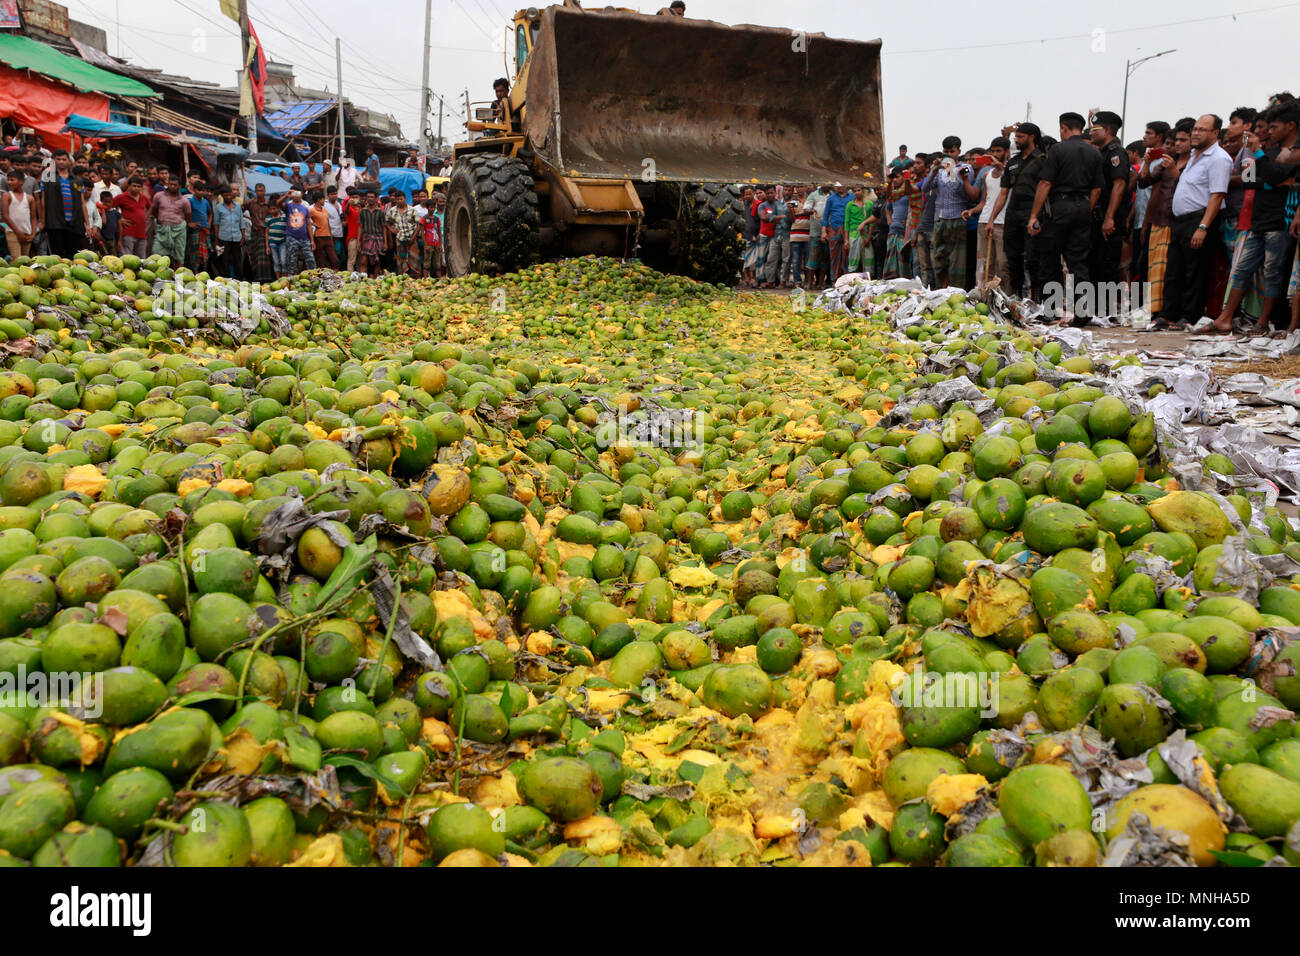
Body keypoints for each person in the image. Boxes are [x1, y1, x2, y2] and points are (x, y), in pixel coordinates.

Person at [1214, 100, 1300, 335]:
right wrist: (1273, 181)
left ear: (1290, 126)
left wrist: (1266, 167)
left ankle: (1263, 322)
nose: (1269, 131)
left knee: (1273, 274)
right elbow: (1249, 180)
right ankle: (1225, 318)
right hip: (1257, 221)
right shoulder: (1269, 152)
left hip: (1280, 221)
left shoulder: (1290, 154)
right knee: (1242, 270)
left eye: (1273, 127)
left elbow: (1274, 175)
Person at [1029, 112, 1104, 323]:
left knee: (1050, 259)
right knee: (1079, 263)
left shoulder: (1058, 150)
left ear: (1063, 128)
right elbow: (1097, 189)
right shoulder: (1094, 152)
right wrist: (1085, 208)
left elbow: (1045, 183)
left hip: (1059, 208)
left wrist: (1033, 215)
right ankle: (1083, 312)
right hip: (1083, 207)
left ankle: (1051, 310)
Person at [1160, 114, 1231, 329]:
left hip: (1200, 219)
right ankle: (1168, 314)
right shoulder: (1194, 155)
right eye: (1196, 129)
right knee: (1174, 270)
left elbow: (1217, 195)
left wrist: (1203, 226)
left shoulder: (1219, 158)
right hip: (1180, 220)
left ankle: (1189, 316)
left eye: (1202, 129)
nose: (1196, 133)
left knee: (1195, 271)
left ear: (1215, 133)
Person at [929, 137, 979, 288]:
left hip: (958, 218)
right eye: (946, 151)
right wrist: (933, 170)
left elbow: (961, 188)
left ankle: (955, 292)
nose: (949, 154)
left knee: (957, 261)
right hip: (940, 218)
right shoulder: (939, 171)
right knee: (938, 260)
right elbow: (926, 187)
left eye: (952, 151)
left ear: (958, 151)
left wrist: (952, 170)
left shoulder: (965, 168)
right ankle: (941, 289)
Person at [1088, 111, 1132, 285]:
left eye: (1095, 129)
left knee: (1106, 271)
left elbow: (1119, 184)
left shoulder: (1116, 153)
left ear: (1107, 130)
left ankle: (1106, 304)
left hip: (1108, 223)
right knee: (1094, 268)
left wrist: (1109, 217)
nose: (1091, 132)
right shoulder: (1101, 153)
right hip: (1095, 221)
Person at [971, 137, 1011, 288]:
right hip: (984, 221)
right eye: (992, 151)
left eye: (998, 151)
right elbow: (984, 201)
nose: (995, 154)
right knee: (986, 264)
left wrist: (1001, 166)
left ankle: (1007, 296)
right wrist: (972, 210)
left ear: (1007, 152)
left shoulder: (1010, 172)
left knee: (1003, 264)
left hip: (1002, 222)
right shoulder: (986, 175)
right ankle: (987, 294)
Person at [36, 150, 87, 258]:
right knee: (57, 256)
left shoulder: (77, 180)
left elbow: (82, 203)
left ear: (69, 161)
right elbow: (43, 200)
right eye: (58, 159)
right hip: (55, 223)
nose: (61, 162)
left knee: (74, 256)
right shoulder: (47, 178)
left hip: (75, 223)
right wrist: (42, 221)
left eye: (64, 159)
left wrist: (87, 224)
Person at [148, 176, 191, 265]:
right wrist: (160, 219)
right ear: (167, 185)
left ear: (179, 186)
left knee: (179, 255)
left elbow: (188, 215)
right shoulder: (158, 196)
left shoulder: (184, 200)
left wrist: (182, 223)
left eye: (175, 185)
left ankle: (179, 273)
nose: (172, 186)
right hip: (162, 229)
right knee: (156, 253)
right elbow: (154, 209)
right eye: (170, 184)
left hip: (178, 229)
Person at [111, 178, 151, 259]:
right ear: (129, 186)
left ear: (141, 187)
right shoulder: (122, 197)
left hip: (142, 233)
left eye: (138, 186)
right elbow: (110, 207)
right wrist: (120, 218)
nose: (136, 188)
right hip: (127, 232)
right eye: (134, 186)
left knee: (141, 259)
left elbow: (150, 207)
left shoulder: (143, 197)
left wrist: (146, 215)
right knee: (127, 258)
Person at [384, 189, 419, 276]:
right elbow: (386, 222)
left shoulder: (412, 210)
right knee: (401, 261)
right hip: (400, 239)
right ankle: (403, 279)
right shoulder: (392, 210)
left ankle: (417, 279)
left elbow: (419, 225)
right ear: (395, 200)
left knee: (414, 260)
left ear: (405, 198)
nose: (399, 201)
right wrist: (392, 230)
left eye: (401, 199)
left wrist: (413, 237)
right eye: (398, 199)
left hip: (412, 239)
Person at [821, 182, 851, 282]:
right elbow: (825, 216)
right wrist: (824, 231)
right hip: (834, 228)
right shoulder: (831, 198)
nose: (840, 187)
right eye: (838, 186)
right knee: (834, 255)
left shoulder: (852, 197)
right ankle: (834, 279)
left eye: (842, 185)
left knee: (847, 255)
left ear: (846, 186)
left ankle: (847, 279)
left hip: (848, 229)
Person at [212, 184, 244, 279]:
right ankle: (225, 279)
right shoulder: (218, 208)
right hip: (223, 238)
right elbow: (216, 224)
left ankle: (239, 279)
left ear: (232, 194)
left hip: (237, 237)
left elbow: (241, 223)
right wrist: (216, 240)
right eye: (225, 195)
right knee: (224, 260)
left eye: (229, 194)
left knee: (237, 260)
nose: (228, 197)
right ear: (222, 196)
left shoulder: (238, 207)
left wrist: (243, 237)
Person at [2, 169, 34, 258]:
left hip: (27, 232)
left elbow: (33, 217)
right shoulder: (7, 195)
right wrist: (18, 232)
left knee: (25, 259)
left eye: (12, 180)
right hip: (12, 232)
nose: (9, 182)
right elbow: (5, 215)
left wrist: (33, 234)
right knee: (16, 258)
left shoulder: (29, 198)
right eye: (8, 180)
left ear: (21, 182)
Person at [245, 183, 274, 281]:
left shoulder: (269, 203)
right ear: (255, 191)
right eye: (257, 191)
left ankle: (267, 278)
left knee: (266, 255)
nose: (259, 193)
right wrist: (249, 218)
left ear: (265, 191)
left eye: (261, 191)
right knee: (255, 256)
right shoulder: (250, 203)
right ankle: (257, 278)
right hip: (255, 232)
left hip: (267, 232)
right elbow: (239, 209)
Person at [844, 185, 873, 274]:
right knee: (853, 258)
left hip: (865, 233)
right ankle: (853, 277)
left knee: (868, 258)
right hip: (853, 234)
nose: (857, 192)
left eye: (859, 190)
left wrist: (868, 237)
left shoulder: (869, 204)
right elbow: (846, 222)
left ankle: (868, 278)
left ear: (863, 191)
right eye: (855, 191)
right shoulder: (850, 205)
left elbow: (872, 222)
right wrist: (846, 240)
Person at [359, 190, 387, 276]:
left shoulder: (380, 211)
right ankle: (362, 279)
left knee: (377, 261)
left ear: (376, 198)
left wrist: (385, 243)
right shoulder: (363, 211)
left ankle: (374, 280)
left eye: (372, 197)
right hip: (367, 237)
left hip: (378, 238)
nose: (370, 199)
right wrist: (359, 241)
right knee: (364, 261)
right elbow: (360, 227)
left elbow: (384, 227)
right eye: (368, 197)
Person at [186, 181, 212, 272]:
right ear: (194, 190)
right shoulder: (190, 201)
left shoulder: (205, 202)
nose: (201, 192)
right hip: (195, 231)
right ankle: (194, 271)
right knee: (194, 253)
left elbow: (210, 213)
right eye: (199, 190)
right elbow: (185, 213)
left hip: (204, 230)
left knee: (205, 253)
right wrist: (189, 223)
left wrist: (209, 222)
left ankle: (203, 272)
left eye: (203, 191)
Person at [788, 185, 810, 286]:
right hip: (795, 234)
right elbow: (792, 220)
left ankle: (808, 280)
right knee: (796, 260)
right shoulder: (793, 202)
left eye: (801, 187)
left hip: (808, 234)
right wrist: (791, 212)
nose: (799, 189)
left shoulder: (810, 200)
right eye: (797, 187)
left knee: (808, 259)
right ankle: (797, 281)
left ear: (805, 187)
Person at [308, 192, 336, 269]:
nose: (324, 201)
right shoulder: (311, 210)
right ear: (318, 200)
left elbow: (328, 223)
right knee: (320, 260)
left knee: (334, 259)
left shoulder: (325, 210)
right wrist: (313, 223)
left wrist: (331, 236)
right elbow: (305, 219)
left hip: (328, 236)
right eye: (323, 199)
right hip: (318, 237)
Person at [266, 196, 288, 278]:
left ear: (278, 208)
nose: (272, 211)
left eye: (274, 209)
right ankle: (278, 280)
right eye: (270, 209)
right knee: (276, 262)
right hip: (272, 243)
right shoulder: (268, 218)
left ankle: (285, 279)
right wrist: (267, 246)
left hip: (283, 242)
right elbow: (266, 233)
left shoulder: (284, 216)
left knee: (283, 261)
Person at [421, 197, 443, 278]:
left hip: (436, 244)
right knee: (427, 263)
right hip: (428, 244)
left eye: (433, 207)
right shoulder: (424, 218)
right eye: (430, 207)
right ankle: (425, 280)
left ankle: (440, 280)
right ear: (427, 208)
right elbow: (422, 232)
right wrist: (426, 245)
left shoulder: (437, 219)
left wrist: (440, 244)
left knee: (437, 263)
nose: (432, 209)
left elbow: (439, 232)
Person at [343, 186, 363, 272]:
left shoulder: (362, 209)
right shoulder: (349, 209)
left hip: (362, 238)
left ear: (359, 198)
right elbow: (345, 210)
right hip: (353, 237)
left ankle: (360, 276)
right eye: (353, 197)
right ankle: (350, 276)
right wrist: (348, 204)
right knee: (351, 260)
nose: (355, 199)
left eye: (356, 197)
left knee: (360, 260)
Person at [325, 186, 345, 264]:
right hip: (329, 233)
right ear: (328, 195)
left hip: (339, 232)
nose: (334, 196)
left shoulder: (339, 204)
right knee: (330, 254)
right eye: (332, 194)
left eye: (335, 193)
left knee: (339, 253)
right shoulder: (325, 205)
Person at [98, 190, 119, 255]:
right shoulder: (100, 212)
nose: (108, 204)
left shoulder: (115, 212)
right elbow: (104, 222)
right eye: (105, 202)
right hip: (103, 238)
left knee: (113, 255)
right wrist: (103, 210)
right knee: (104, 254)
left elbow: (119, 225)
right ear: (101, 201)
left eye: (109, 202)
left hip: (112, 238)